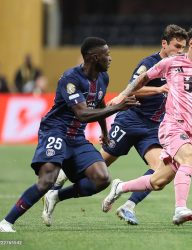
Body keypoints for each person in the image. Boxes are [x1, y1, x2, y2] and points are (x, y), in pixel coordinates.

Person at [42, 24, 188, 226]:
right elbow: (131, 90)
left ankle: (128, 206)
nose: (180, 51)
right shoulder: (149, 64)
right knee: (96, 169)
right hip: (130, 122)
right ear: (164, 44)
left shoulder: (179, 67)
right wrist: (158, 90)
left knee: (163, 171)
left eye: (183, 48)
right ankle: (60, 180)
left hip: (153, 128)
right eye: (177, 46)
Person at [0, 37, 139, 233]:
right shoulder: (70, 79)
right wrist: (118, 107)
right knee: (47, 179)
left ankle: (55, 196)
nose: (110, 58)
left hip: (77, 138)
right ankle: (6, 222)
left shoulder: (102, 78)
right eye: (107, 54)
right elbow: (82, 114)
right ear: (94, 57)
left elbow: (98, 104)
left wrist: (105, 132)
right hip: (55, 131)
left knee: (101, 178)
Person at [102, 23, 192, 225]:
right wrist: (122, 94)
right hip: (172, 126)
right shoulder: (171, 63)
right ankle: (180, 209)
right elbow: (143, 78)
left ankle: (120, 187)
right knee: (190, 160)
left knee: (158, 181)